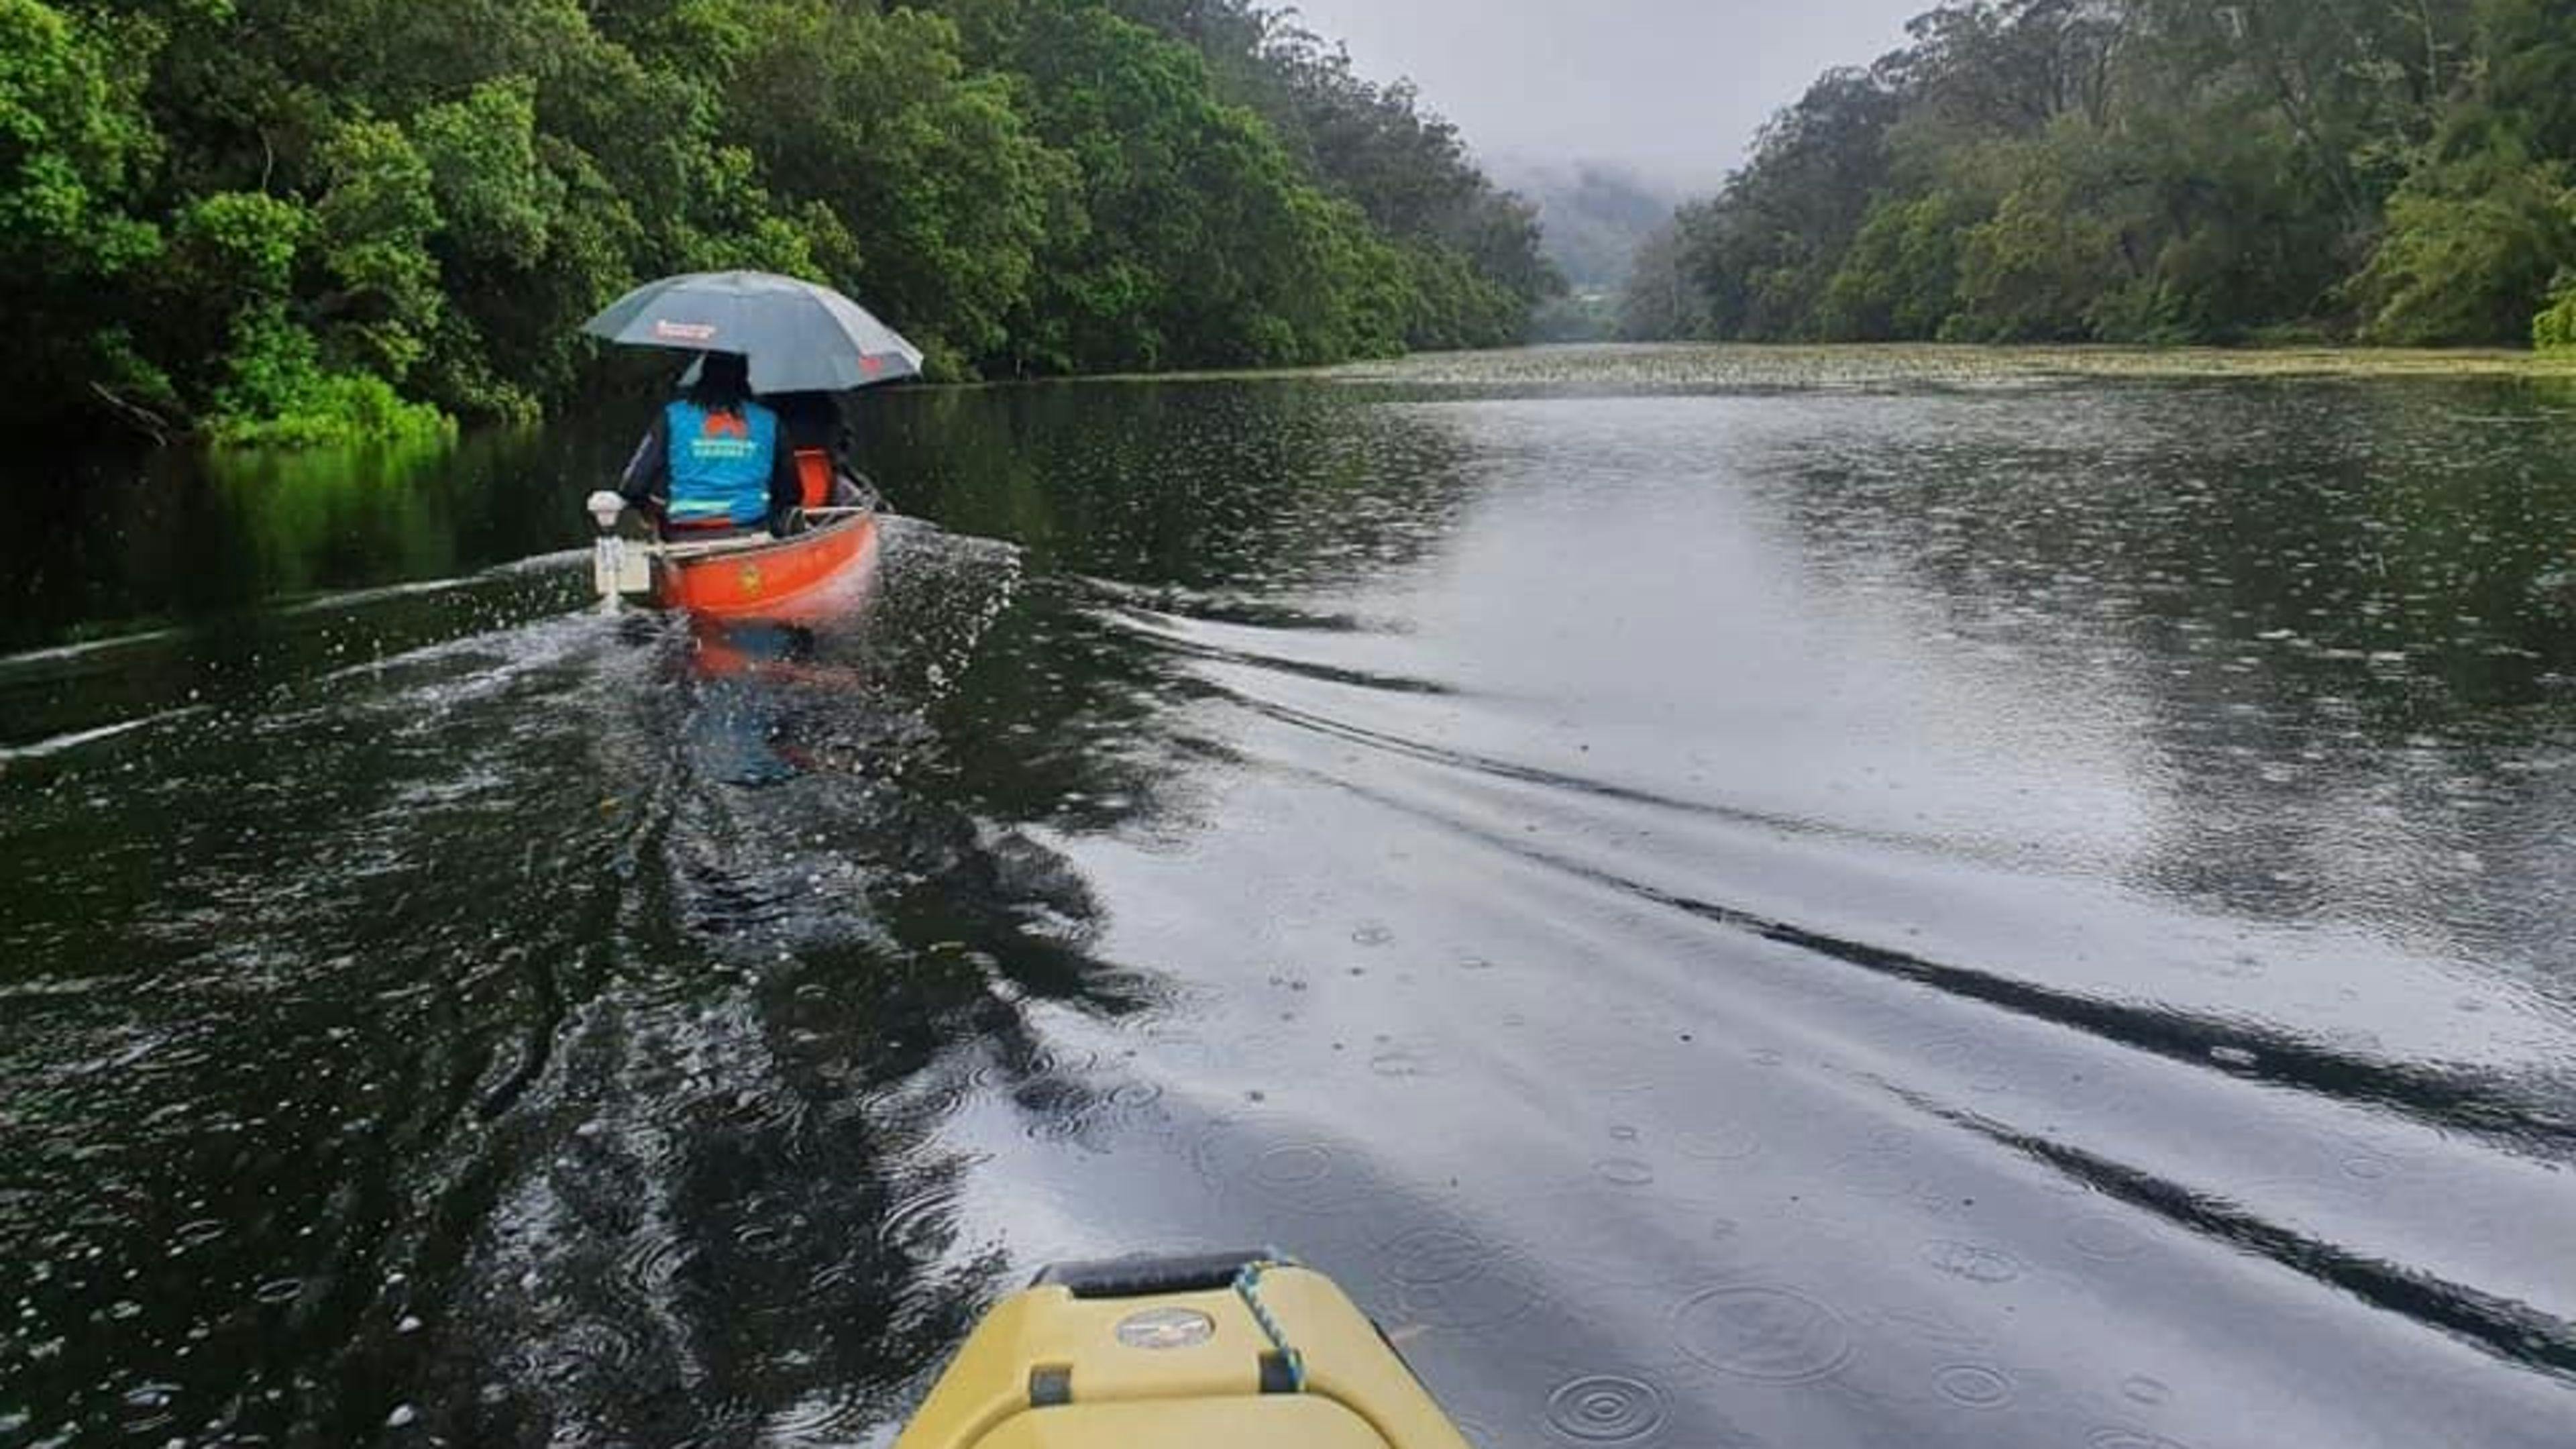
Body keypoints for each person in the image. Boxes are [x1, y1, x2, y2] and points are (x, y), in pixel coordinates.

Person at [619, 352, 803, 537]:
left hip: (683, 533)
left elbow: (633, 487)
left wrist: (652, 509)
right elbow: (791, 492)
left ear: (703, 373)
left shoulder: (672, 415)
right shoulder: (769, 421)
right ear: (745, 376)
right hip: (753, 529)